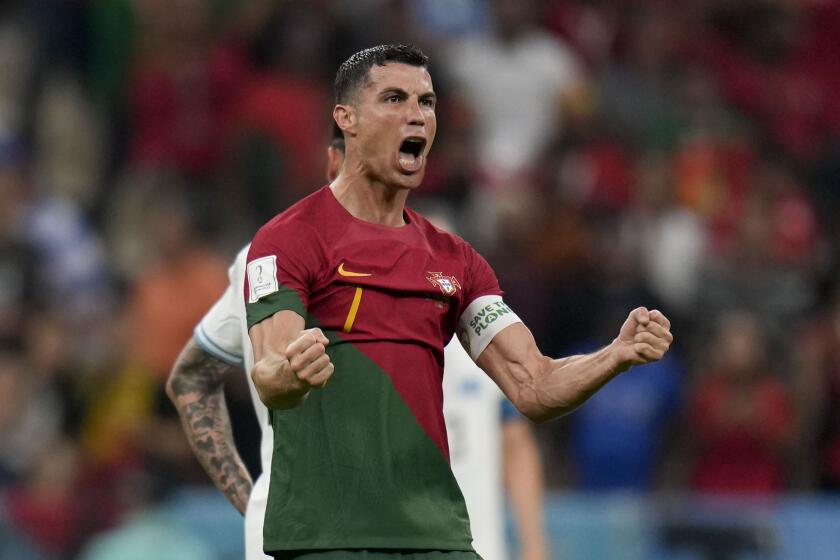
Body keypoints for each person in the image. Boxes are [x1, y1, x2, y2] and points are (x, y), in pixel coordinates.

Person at [245, 44, 672, 558]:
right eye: (395, 99)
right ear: (347, 119)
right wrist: (290, 375)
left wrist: (615, 356)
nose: (416, 115)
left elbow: (533, 386)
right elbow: (270, 369)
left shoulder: (457, 262)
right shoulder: (288, 240)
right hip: (329, 539)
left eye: (426, 102)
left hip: (437, 538)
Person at [168, 128, 548, 560]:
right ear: (335, 165)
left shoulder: (452, 277)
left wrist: (535, 543)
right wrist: (253, 499)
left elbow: (516, 431)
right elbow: (193, 378)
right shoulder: (265, 260)